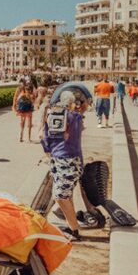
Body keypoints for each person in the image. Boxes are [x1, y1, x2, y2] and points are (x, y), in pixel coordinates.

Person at [40, 85, 91, 241]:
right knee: (63, 196)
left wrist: (48, 149)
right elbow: (84, 111)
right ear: (71, 103)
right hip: (71, 160)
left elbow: (44, 137)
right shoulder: (76, 117)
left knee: (61, 196)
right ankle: (73, 228)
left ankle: (74, 230)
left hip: (61, 159)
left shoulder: (56, 115)